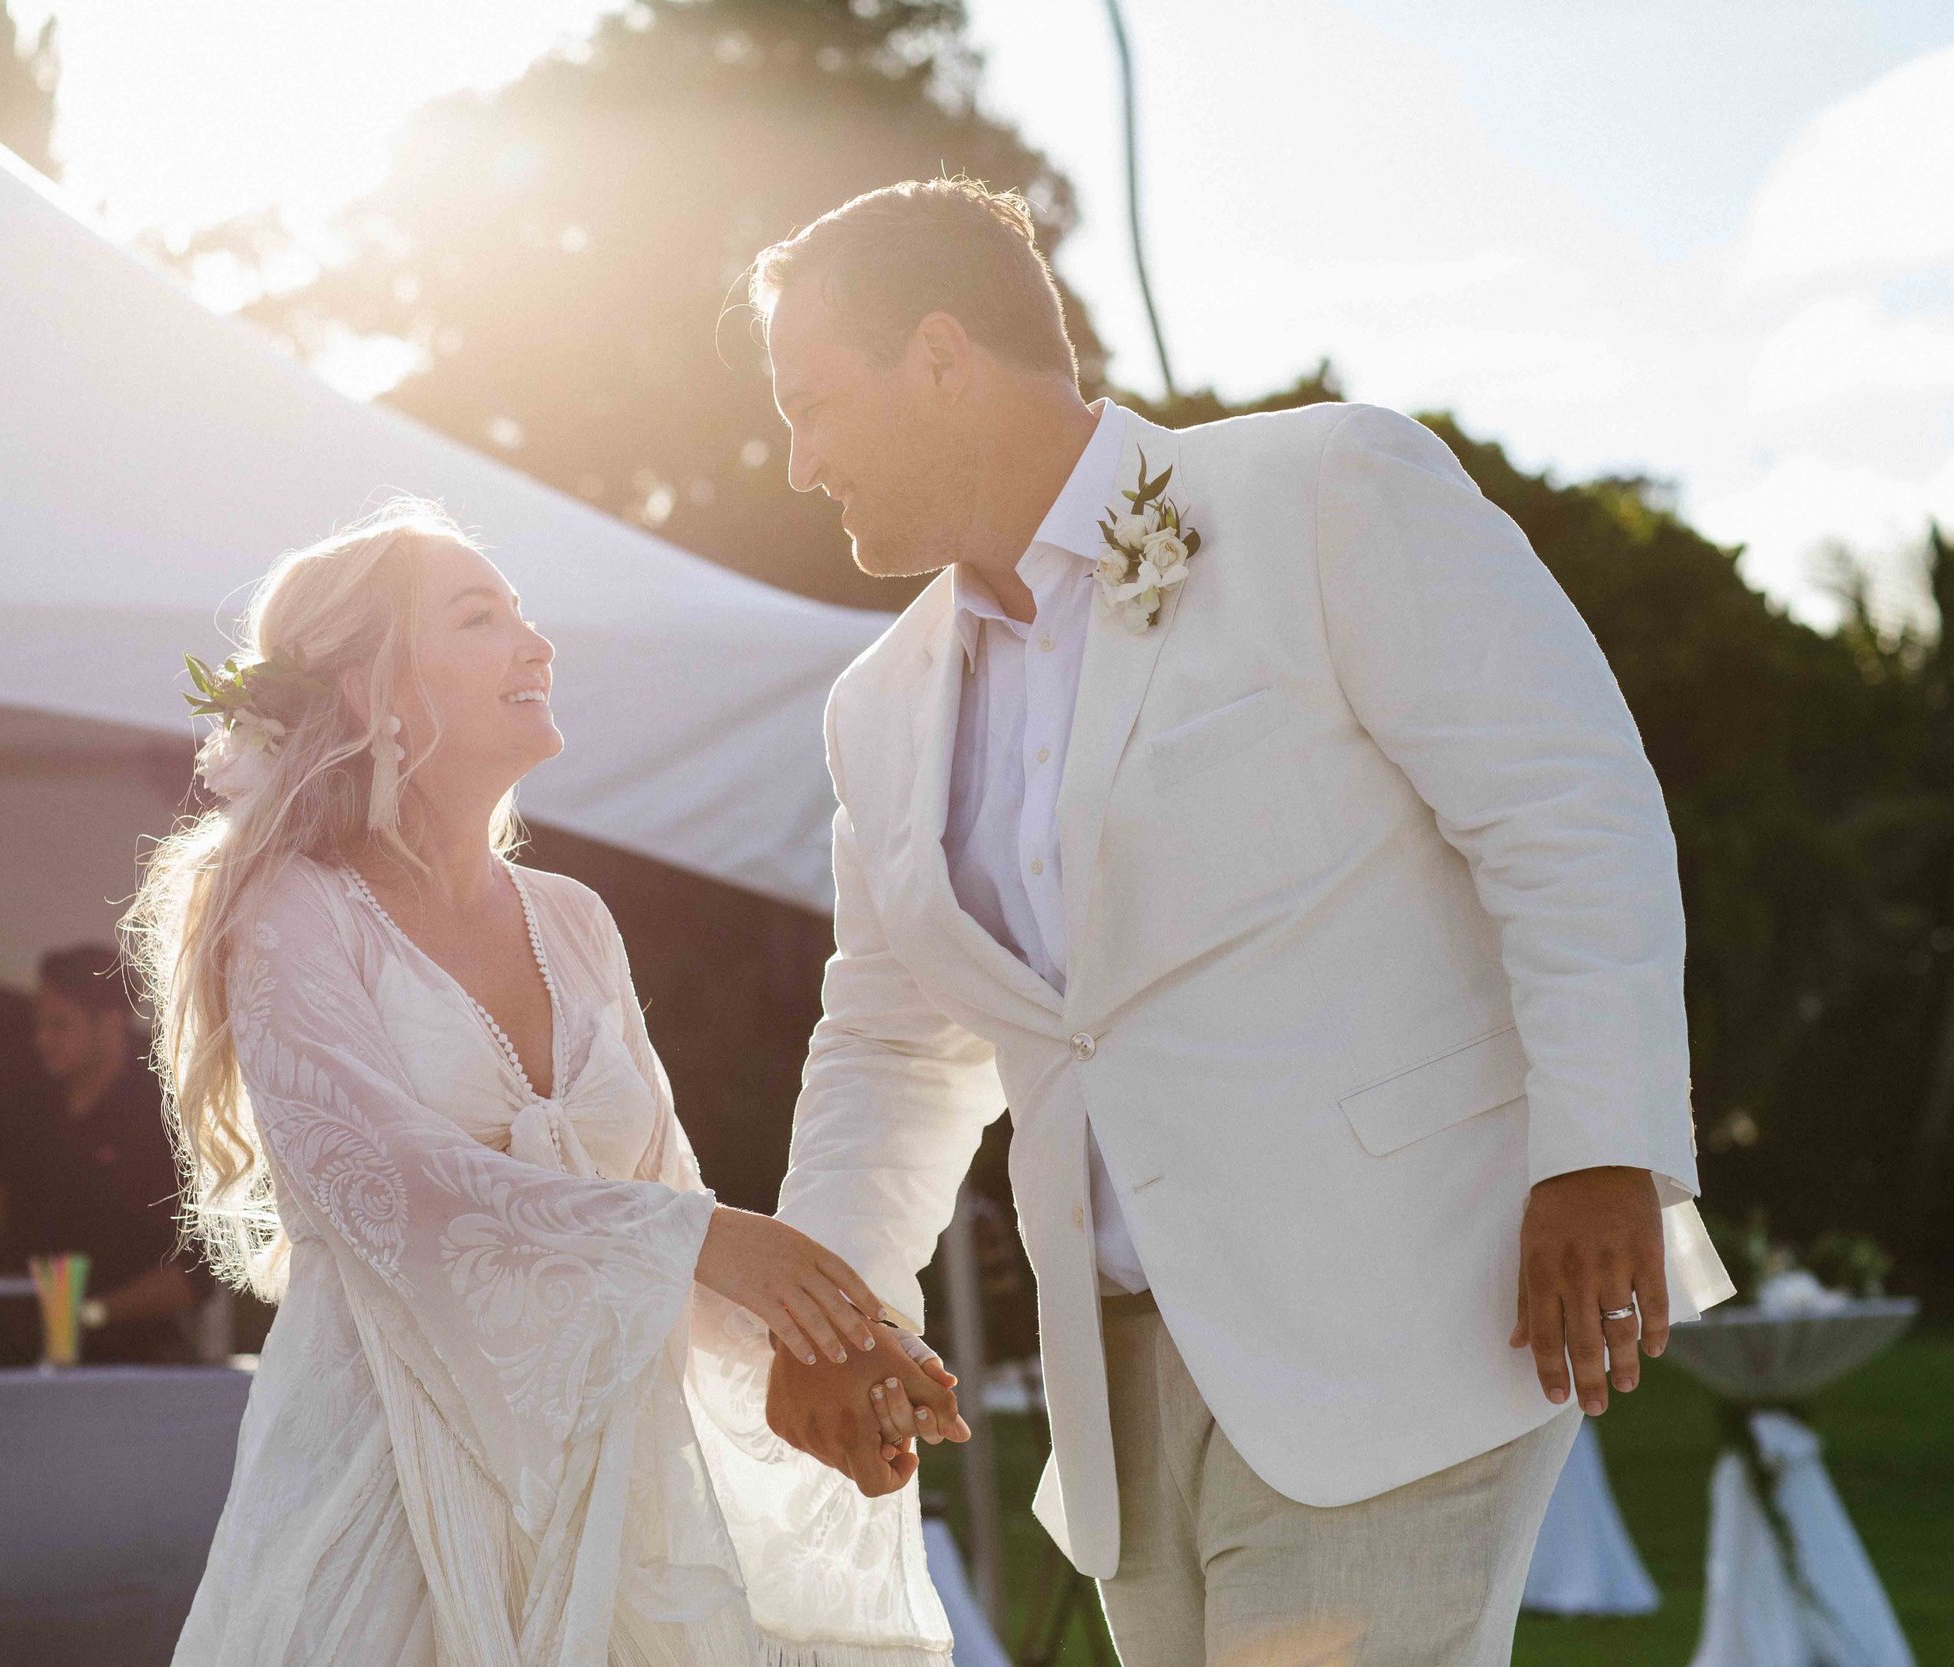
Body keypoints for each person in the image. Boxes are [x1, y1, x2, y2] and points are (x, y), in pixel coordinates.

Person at [747, 179, 1738, 1667]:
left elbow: (1566, 815)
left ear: (942, 358)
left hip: (1404, 1309)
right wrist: (832, 1315)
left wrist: (1603, 1148)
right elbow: (892, 1040)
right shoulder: (875, 705)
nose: (799, 462)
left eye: (812, 406)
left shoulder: (1328, 487)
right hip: (1120, 1383)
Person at [126, 502, 967, 1665]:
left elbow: (668, 1197)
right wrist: (703, 1237)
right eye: (481, 618)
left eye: (523, 613)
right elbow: (395, 1188)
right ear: (370, 690)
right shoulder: (288, 910)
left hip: (606, 1493)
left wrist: (837, 1342)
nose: (538, 644)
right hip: (387, 1504)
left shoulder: (574, 922)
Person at [0, 944, 194, 1363]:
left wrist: (91, 1315)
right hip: (24, 1353)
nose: (41, 1040)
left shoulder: (165, 1115)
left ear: (111, 1024)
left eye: (59, 1025)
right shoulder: (22, 1105)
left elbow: (194, 1275)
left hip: (139, 1361)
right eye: (38, 1024)